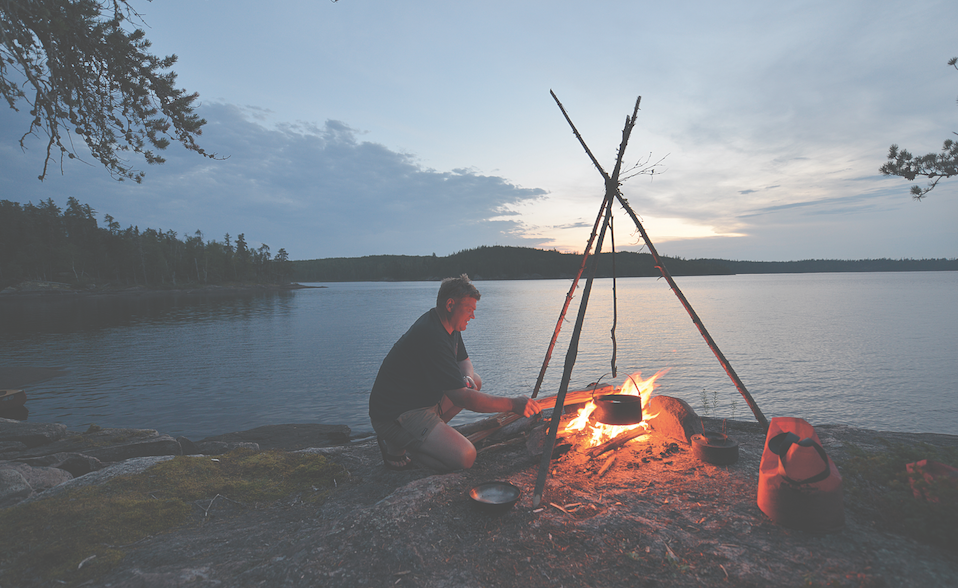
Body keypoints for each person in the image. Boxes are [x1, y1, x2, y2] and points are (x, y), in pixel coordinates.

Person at [369, 274, 541, 471]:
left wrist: (466, 378)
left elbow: (463, 360)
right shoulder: (432, 335)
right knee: (465, 457)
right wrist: (512, 404)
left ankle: (420, 440)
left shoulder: (447, 325)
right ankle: (409, 447)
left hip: (418, 403)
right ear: (450, 305)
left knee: (475, 381)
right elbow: (462, 399)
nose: (473, 316)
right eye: (469, 310)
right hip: (397, 415)